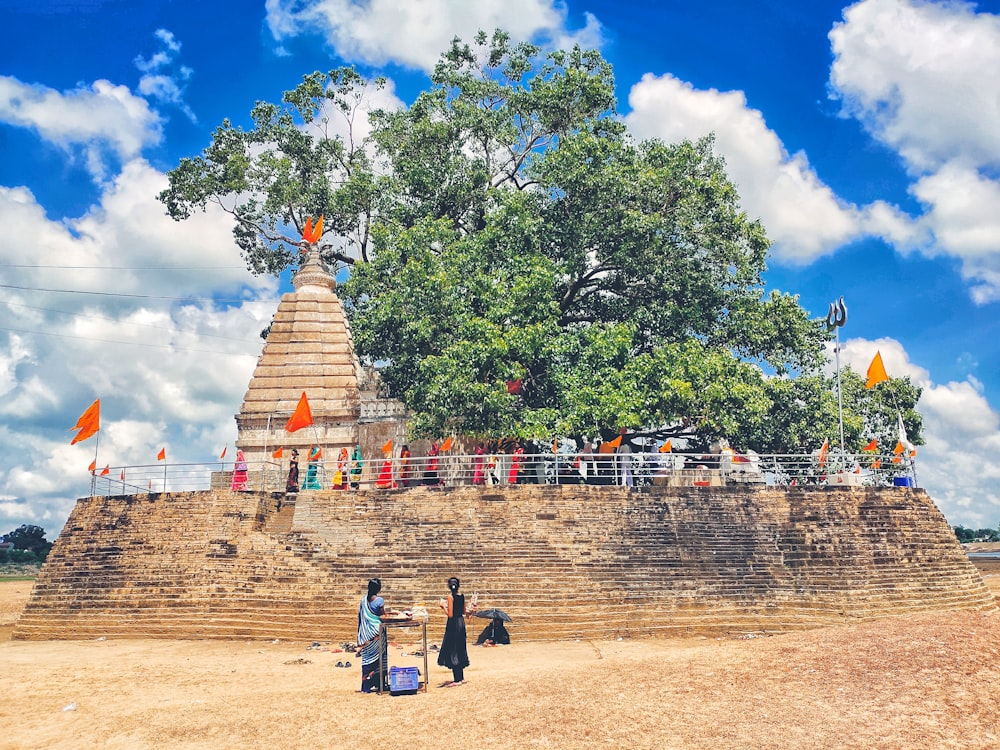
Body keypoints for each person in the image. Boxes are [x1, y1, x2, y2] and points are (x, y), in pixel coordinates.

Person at [437, 577, 474, 686]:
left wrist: (443, 606)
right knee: (460, 648)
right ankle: (460, 677)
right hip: (461, 623)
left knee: (452, 649)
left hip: (453, 625)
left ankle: (457, 679)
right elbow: (463, 611)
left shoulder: (450, 597)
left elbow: (450, 615)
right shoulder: (461, 596)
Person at [357, 577, 388, 693]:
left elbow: (360, 618)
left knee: (367, 660)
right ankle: (380, 684)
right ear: (378, 589)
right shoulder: (379, 601)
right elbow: (382, 617)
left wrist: (359, 635)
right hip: (377, 633)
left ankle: (366, 685)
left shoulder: (363, 600)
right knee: (381, 658)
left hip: (365, 635)